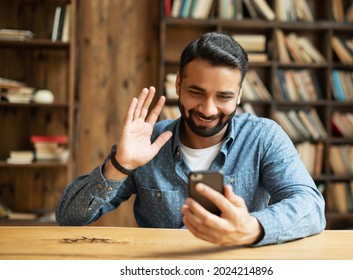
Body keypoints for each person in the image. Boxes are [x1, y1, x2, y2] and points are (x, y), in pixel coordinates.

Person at [56, 32, 326, 246]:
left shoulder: (263, 137)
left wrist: (251, 228)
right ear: (178, 85)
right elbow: (69, 217)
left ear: (240, 95)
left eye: (224, 96)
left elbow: (310, 207)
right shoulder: (147, 142)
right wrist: (120, 164)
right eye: (196, 92)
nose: (208, 110)